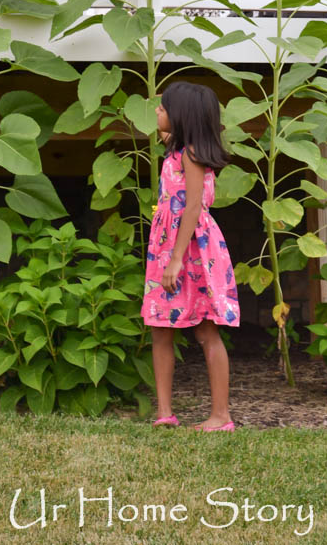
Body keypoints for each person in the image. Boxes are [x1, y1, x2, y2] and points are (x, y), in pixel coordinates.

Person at [141, 81, 240, 431]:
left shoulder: (192, 155)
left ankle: (220, 416)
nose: (157, 111)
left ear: (181, 117)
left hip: (192, 251)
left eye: (164, 108)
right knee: (160, 329)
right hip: (168, 248)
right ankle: (165, 413)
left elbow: (194, 206)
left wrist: (177, 259)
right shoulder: (178, 151)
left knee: (206, 331)